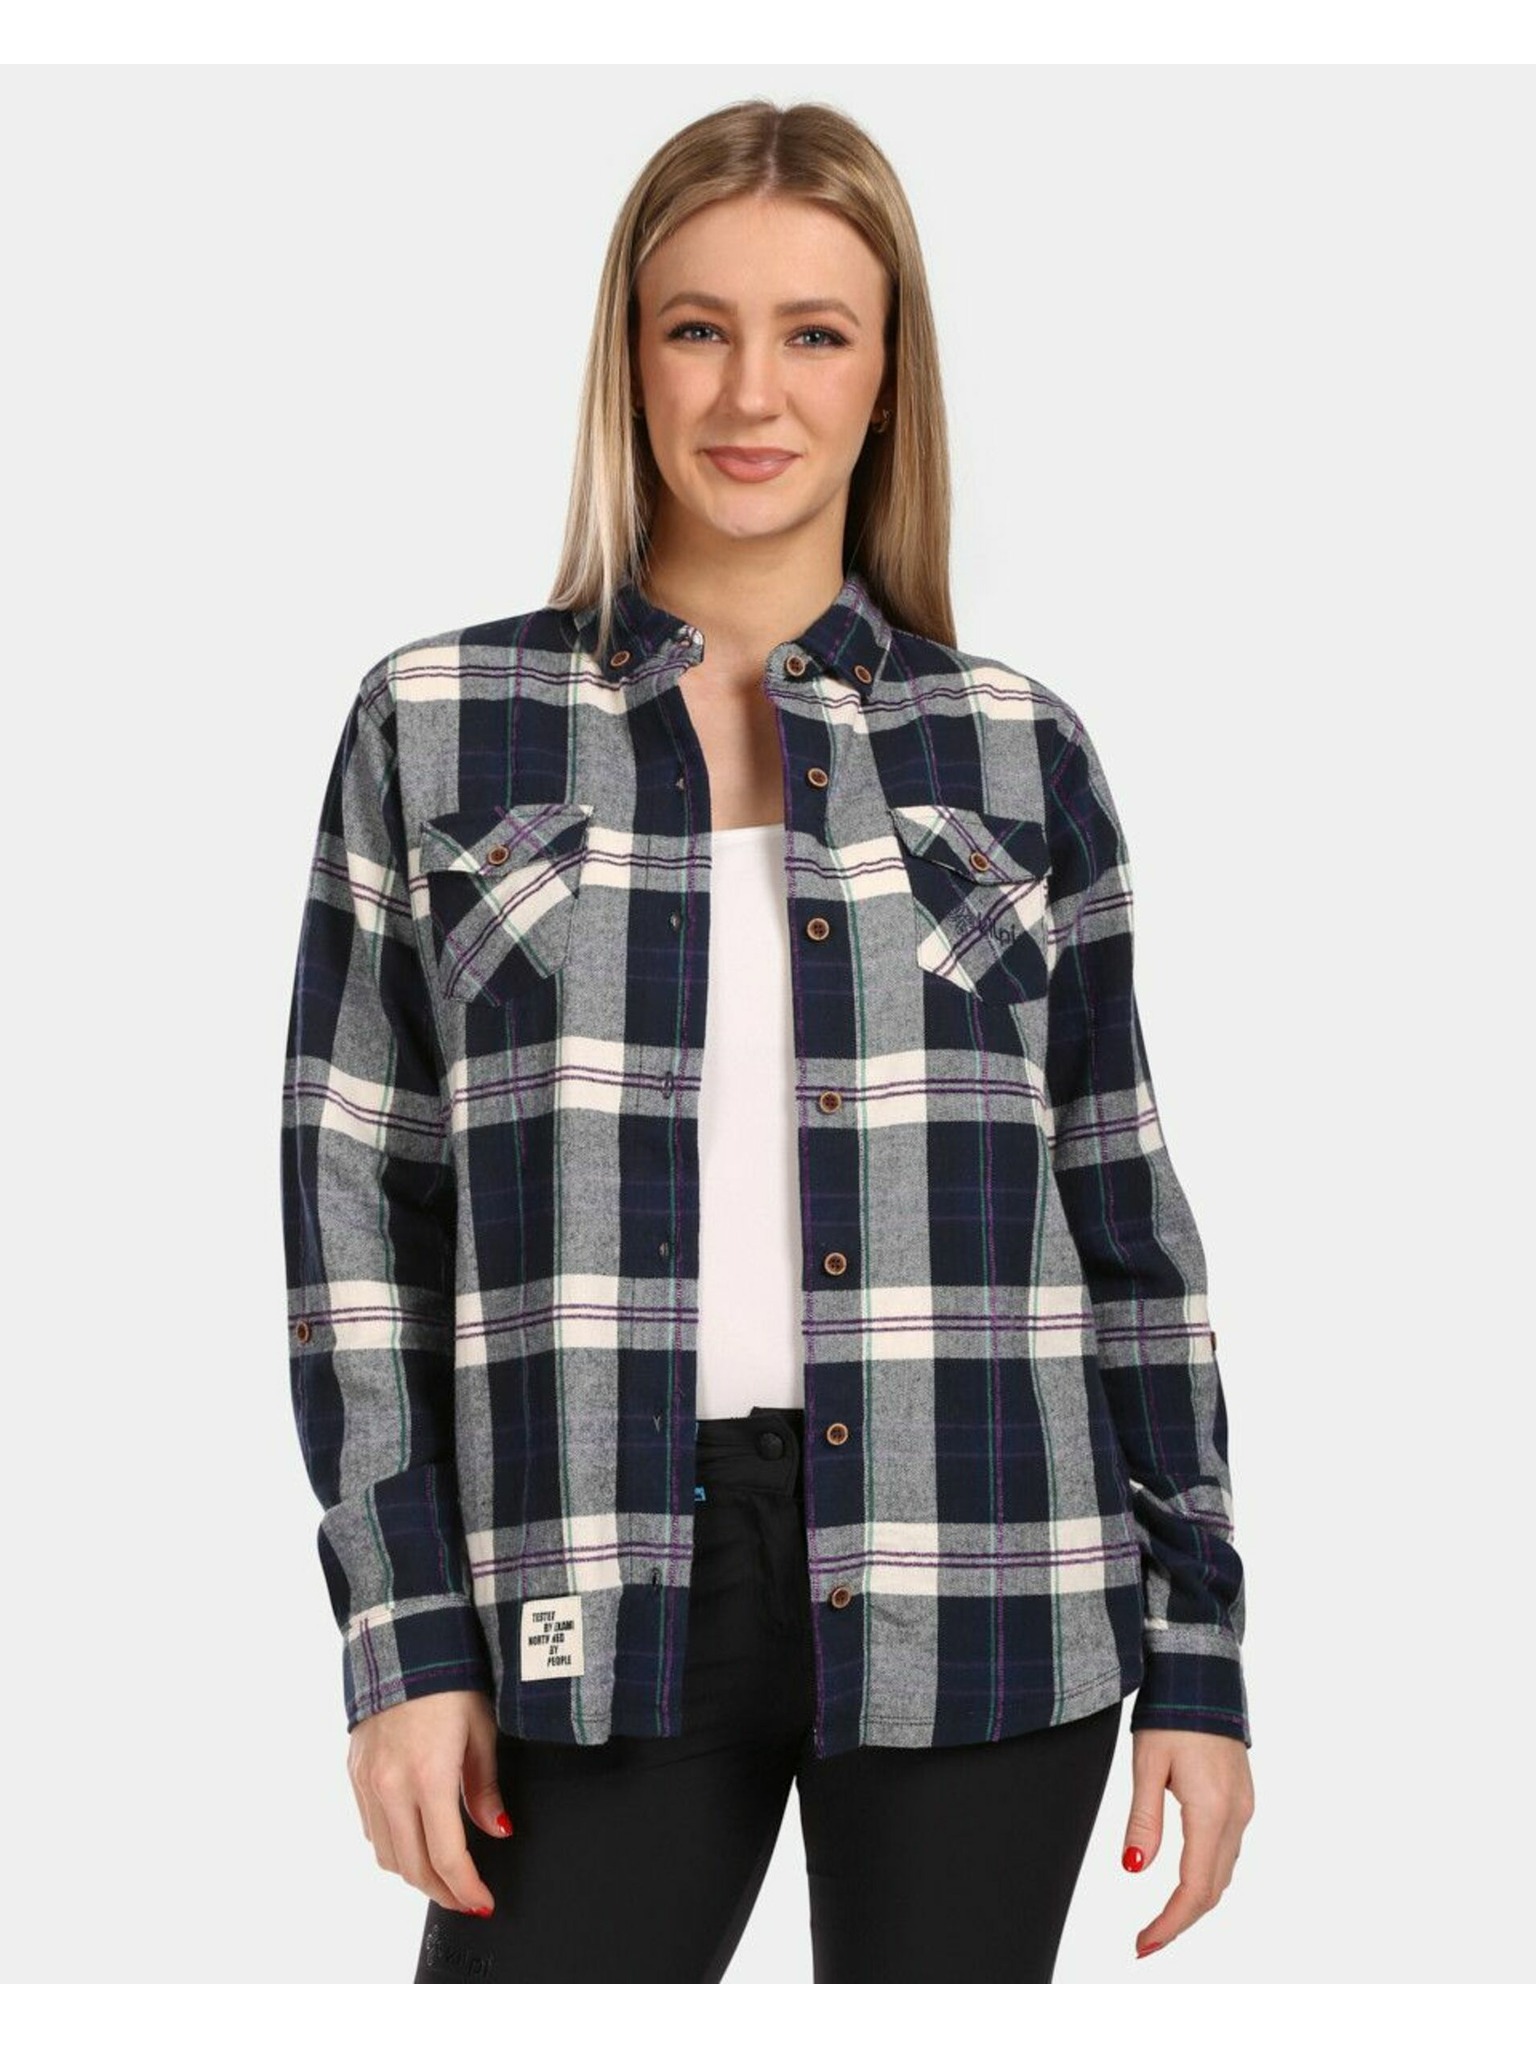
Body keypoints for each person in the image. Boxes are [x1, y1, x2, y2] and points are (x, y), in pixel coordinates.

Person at [280, 96, 1255, 1984]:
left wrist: (1201, 1659)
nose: (752, 393)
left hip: (991, 1565)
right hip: (587, 1575)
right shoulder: (439, 722)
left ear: (887, 379)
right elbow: (354, 1230)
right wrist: (404, 1642)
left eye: (815, 333)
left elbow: (1127, 1220)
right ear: (628, 358)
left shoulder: (1015, 751)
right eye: (697, 328)